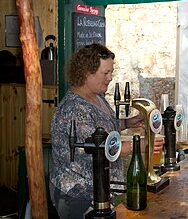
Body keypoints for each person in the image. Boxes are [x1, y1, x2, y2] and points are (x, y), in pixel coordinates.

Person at [49, 43, 164, 219]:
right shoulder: (73, 108)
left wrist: (127, 122)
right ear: (86, 72)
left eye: (111, 72)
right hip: (78, 195)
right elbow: (101, 148)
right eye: (105, 73)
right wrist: (141, 145)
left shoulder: (97, 96)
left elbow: (102, 130)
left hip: (99, 191)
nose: (110, 78)